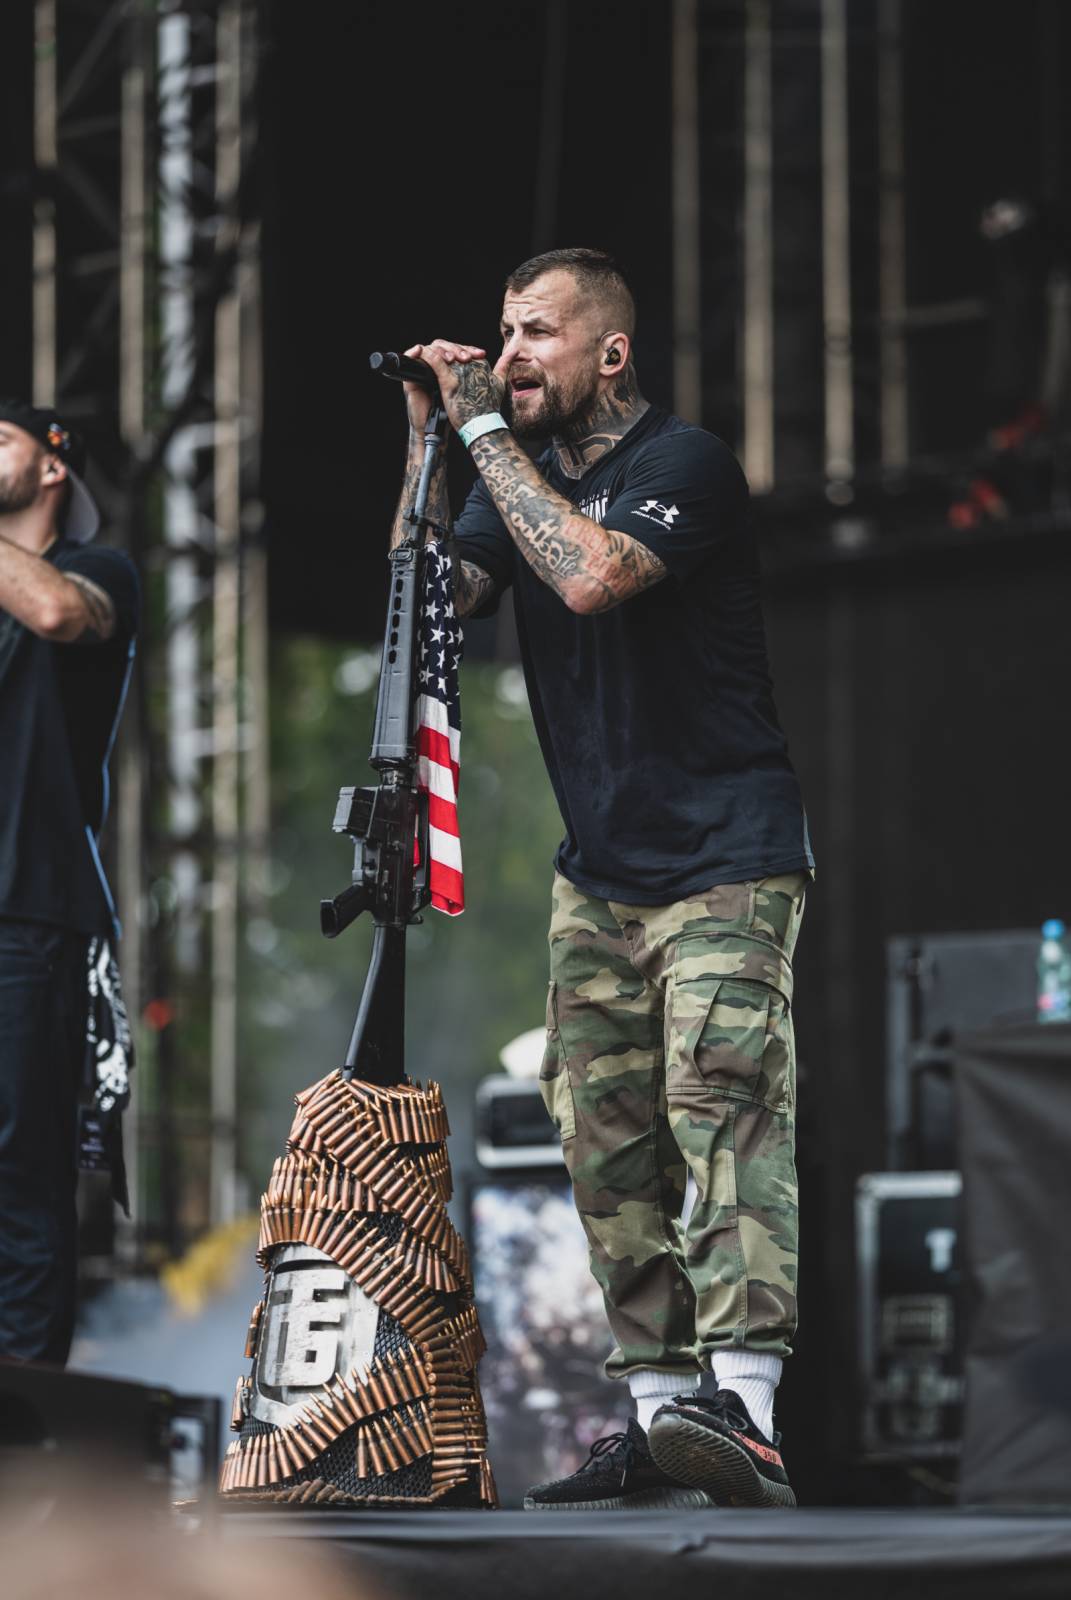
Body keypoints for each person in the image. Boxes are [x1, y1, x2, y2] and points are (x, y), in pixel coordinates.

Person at [396, 249, 814, 1510]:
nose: (509, 354)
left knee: (722, 1106)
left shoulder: (683, 463)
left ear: (609, 352)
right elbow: (428, 602)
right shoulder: (504, 475)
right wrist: (429, 450)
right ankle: (654, 1413)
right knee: (605, 1146)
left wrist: (479, 428)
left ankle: (744, 1407)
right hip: (603, 876)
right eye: (500, 333)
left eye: (535, 333)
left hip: (728, 857)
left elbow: (584, 576)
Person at [0, 401, 139, 1365]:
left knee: (18, 1171)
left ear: (53, 469)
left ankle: (23, 1441)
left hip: (31, 915)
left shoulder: (100, 573)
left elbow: (51, 611)